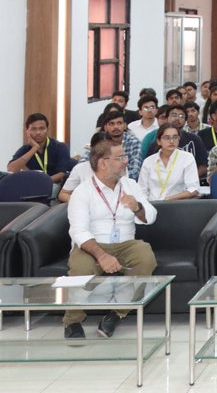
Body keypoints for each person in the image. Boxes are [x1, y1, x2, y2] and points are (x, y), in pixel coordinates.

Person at [62, 139, 157, 340]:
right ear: (103, 163)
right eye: (120, 157)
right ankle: (73, 321)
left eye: (125, 156)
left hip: (126, 243)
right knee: (80, 269)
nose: (126, 161)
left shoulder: (130, 185)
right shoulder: (82, 191)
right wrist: (102, 255)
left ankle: (117, 313)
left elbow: (151, 216)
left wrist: (137, 207)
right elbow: (78, 231)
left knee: (146, 258)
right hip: (92, 245)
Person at [137, 123, 200, 201]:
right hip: (152, 205)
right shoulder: (149, 161)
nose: (171, 141)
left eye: (175, 137)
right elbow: (142, 190)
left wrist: (169, 199)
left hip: (176, 204)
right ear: (159, 141)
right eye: (167, 138)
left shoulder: (187, 158)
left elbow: (194, 189)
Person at [7, 112, 73, 183]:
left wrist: (42, 182)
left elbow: (61, 174)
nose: (38, 132)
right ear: (27, 131)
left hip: (54, 184)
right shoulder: (25, 149)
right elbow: (11, 169)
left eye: (42, 128)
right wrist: (34, 148)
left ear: (47, 129)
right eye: (33, 129)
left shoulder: (60, 147)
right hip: (33, 186)